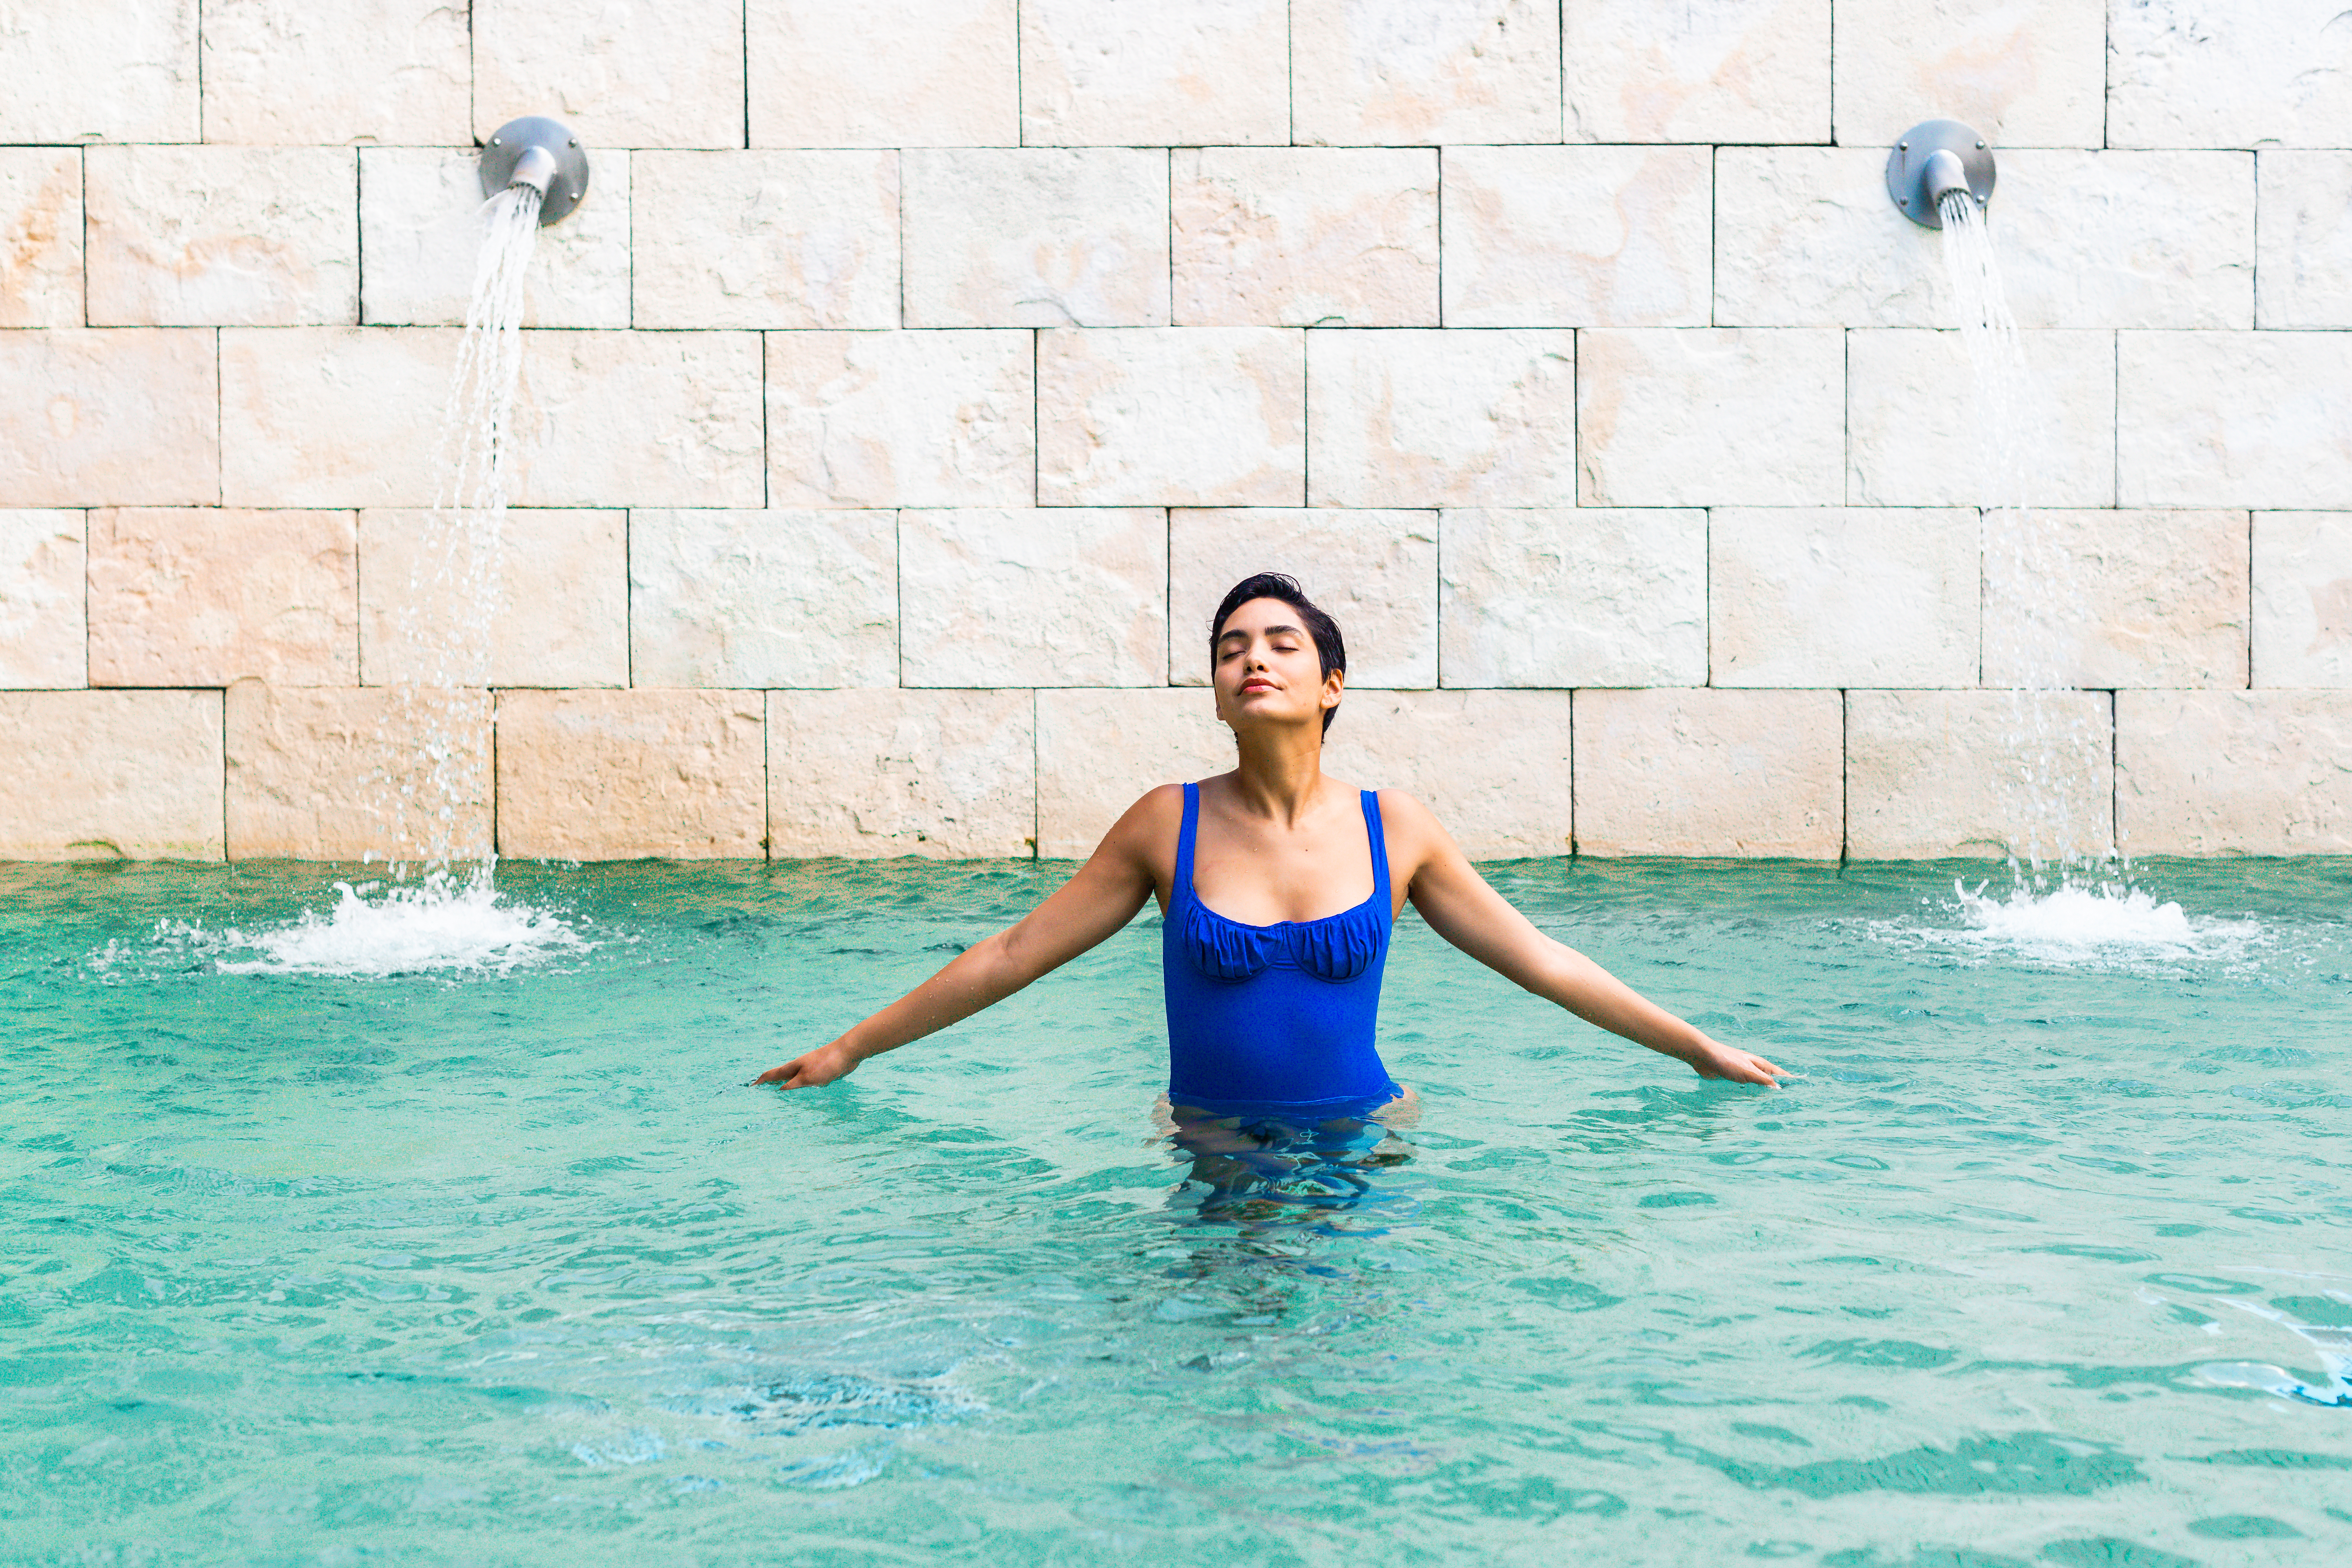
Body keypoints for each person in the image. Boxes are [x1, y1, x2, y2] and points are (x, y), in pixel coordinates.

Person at [754, 573, 1787, 1132]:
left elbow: (1544, 961)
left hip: (1366, 1136)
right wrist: (851, 1047)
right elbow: (1015, 954)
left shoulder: (1398, 828)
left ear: (1332, 684)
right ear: (1215, 691)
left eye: (1283, 643)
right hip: (1209, 1144)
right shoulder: (1168, 822)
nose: (1253, 657)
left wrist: (1696, 1048)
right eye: (1231, 648)